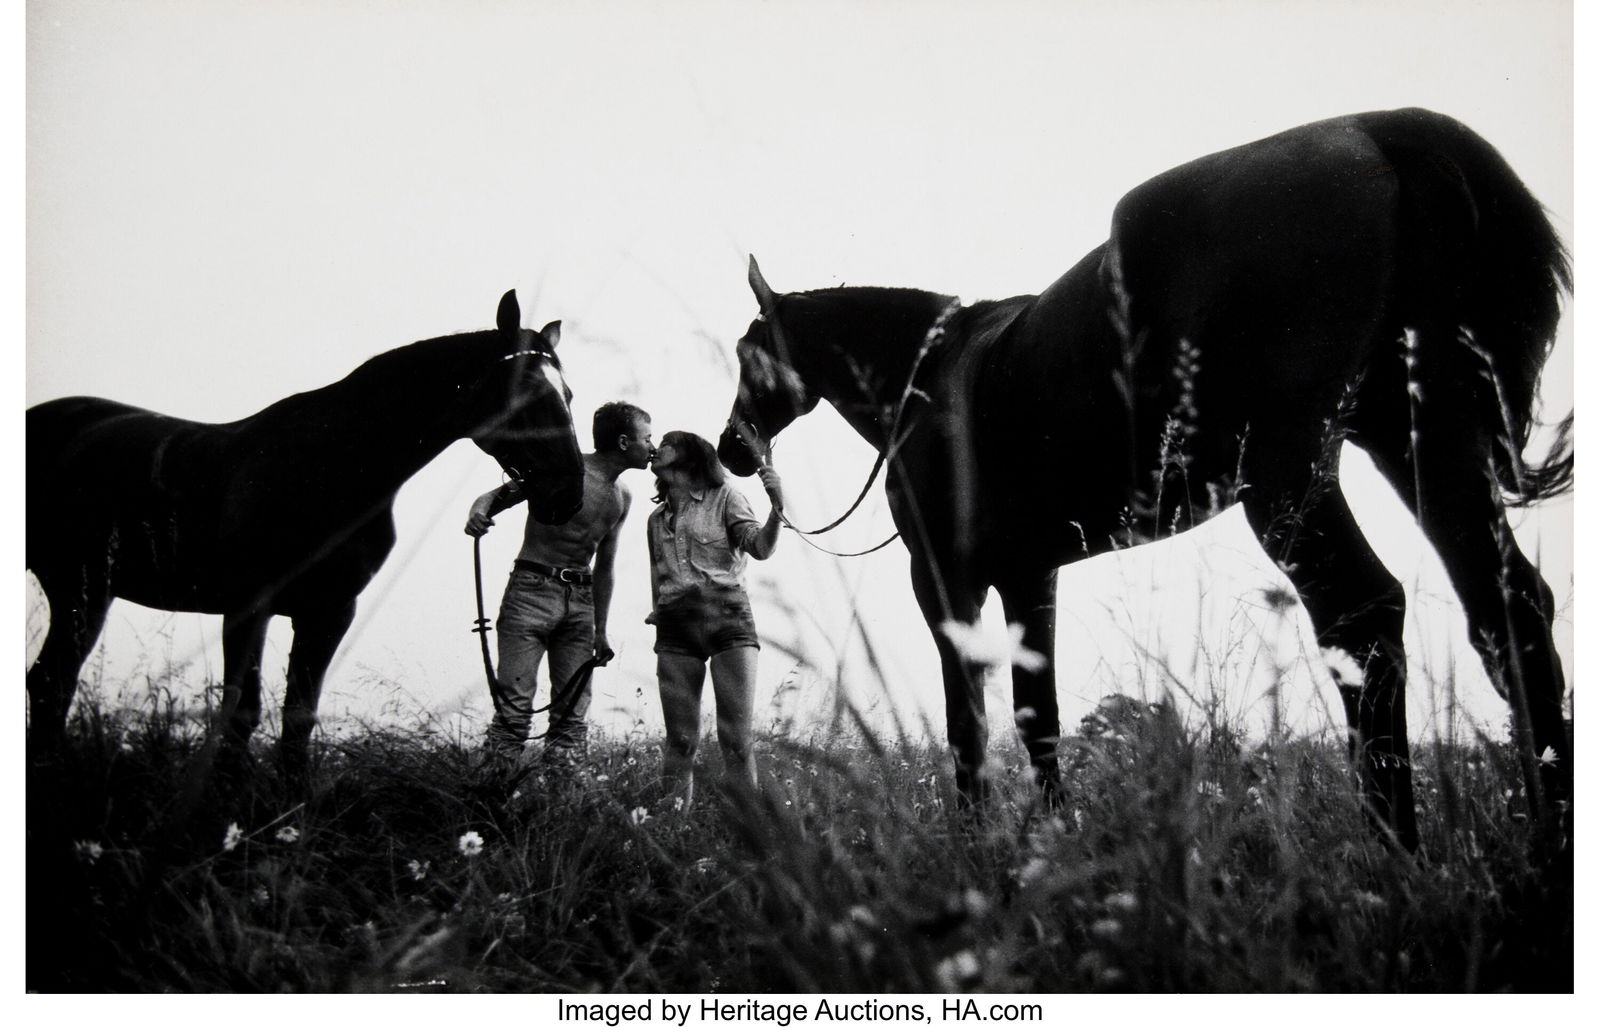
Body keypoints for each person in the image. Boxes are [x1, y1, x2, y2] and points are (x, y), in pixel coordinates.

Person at [465, 400, 653, 771]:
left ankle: (561, 811)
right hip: (531, 589)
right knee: (514, 712)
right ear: (623, 442)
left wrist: (600, 629)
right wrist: (478, 513)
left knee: (572, 721)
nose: (653, 445)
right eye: (647, 437)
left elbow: (606, 567)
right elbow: (494, 497)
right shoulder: (563, 468)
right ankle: (490, 800)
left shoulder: (623, 496)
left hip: (581, 601)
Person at [645, 430, 785, 805]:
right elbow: (657, 577)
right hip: (675, 624)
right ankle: (673, 831)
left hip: (727, 616)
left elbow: (761, 548)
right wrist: (658, 618)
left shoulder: (726, 498)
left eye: (666, 443)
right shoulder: (656, 519)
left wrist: (778, 509)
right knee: (680, 740)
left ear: (689, 456)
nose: (656, 448)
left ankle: (750, 833)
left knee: (736, 739)